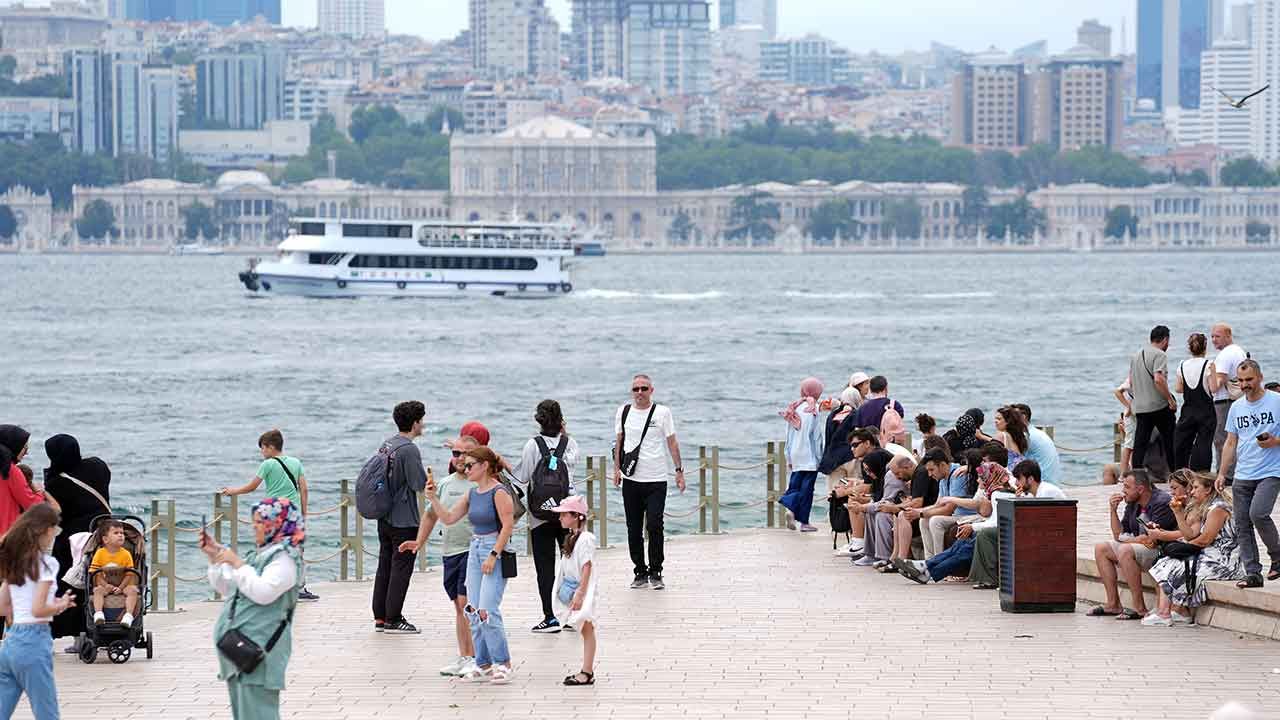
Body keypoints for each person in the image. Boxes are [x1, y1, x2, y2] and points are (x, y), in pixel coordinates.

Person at [201, 497, 304, 720]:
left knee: (258, 714)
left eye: (259, 522)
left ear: (275, 523)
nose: (254, 527)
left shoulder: (285, 559)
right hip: (239, 650)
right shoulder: (260, 554)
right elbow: (228, 587)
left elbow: (263, 592)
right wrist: (215, 558)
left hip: (260, 650)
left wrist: (237, 563)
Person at [425, 447, 517, 684]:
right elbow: (448, 518)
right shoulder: (472, 494)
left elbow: (507, 525)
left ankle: (502, 663)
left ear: (484, 465)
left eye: (470, 465)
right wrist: (433, 498)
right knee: (473, 608)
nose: (466, 469)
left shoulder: (499, 491)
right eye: (464, 465)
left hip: (492, 549)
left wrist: (493, 555)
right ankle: (483, 663)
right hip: (475, 548)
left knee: (488, 609)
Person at [399, 431, 478, 676]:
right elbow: (431, 515)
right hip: (450, 551)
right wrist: (419, 542)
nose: (460, 458)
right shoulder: (444, 484)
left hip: (474, 550)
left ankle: (477, 658)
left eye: (465, 453)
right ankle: (464, 656)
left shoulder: (481, 483)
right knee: (458, 605)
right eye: (456, 453)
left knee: (467, 604)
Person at [220, 430, 316, 602]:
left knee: (270, 549)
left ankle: (270, 587)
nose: (262, 452)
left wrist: (233, 491)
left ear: (271, 447)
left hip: (273, 512)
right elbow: (304, 489)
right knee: (296, 549)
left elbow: (252, 487)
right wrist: (304, 512)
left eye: (263, 448)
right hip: (292, 511)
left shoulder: (268, 464)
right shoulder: (296, 462)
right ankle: (300, 588)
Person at [0, 503, 75, 720]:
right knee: (47, 712)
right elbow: (39, 609)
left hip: (10, 643)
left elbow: (3, 606)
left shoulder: (15, 562)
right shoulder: (46, 563)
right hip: (33, 642)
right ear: (47, 530)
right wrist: (60, 604)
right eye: (56, 530)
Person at [511, 400, 580, 634]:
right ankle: (571, 614)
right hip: (568, 513)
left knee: (545, 567)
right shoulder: (571, 445)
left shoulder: (532, 445)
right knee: (570, 565)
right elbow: (570, 477)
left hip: (540, 515)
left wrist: (500, 463)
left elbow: (522, 477)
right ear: (561, 419)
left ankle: (549, 617)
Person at [613, 374, 685, 591]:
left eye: (644, 388)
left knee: (654, 524)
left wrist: (679, 471)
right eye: (636, 389)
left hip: (656, 479)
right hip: (631, 479)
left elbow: (672, 442)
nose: (640, 393)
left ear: (651, 390)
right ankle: (639, 572)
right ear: (631, 392)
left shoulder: (662, 412)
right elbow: (619, 442)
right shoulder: (623, 412)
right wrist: (616, 469)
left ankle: (656, 571)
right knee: (633, 528)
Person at [1145, 473, 1245, 626]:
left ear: (1208, 489)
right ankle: (1176, 611)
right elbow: (1190, 534)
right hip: (1210, 556)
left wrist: (1182, 546)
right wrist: (1177, 512)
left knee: (1170, 564)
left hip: (1224, 562)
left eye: (1196, 488)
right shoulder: (1207, 507)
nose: (1191, 492)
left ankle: (1165, 613)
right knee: (1167, 561)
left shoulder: (1218, 509)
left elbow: (1205, 539)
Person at [1215, 360, 1280, 587]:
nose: (1245, 385)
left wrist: (1275, 441)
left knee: (1258, 513)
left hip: (1271, 470)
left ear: (1260, 377)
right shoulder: (1237, 407)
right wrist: (1222, 473)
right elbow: (1230, 442)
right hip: (1243, 472)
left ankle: (1277, 556)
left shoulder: (1276, 401)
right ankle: (1252, 573)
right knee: (1242, 523)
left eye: (1249, 379)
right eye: (1240, 381)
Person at [896, 461, 1013, 584]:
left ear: (990, 477)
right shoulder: (994, 491)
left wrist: (972, 526)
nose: (978, 481)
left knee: (967, 548)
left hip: (998, 534)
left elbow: (997, 522)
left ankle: (926, 569)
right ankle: (926, 568)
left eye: (981, 477)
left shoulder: (998, 493)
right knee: (962, 543)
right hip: (993, 531)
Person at [1088, 469, 1179, 619]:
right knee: (1101, 548)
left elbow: (1151, 540)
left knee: (1125, 550)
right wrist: (1113, 510)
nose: (1123, 492)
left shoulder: (1161, 502)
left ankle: (1140, 609)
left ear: (1140, 489)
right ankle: (1113, 605)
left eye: (1126, 487)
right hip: (1140, 546)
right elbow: (1119, 534)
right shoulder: (1133, 502)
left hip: (1160, 550)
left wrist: (1131, 540)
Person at [371, 401, 428, 634]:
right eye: (421, 420)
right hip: (404, 519)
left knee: (384, 564)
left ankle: (381, 617)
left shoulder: (387, 445)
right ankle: (394, 618)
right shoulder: (409, 449)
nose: (423, 424)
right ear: (415, 423)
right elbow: (418, 483)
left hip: (384, 516)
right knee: (401, 568)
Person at [968, 459, 1066, 590]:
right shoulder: (1032, 493)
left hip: (1051, 535)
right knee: (988, 534)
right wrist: (1020, 499)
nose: (1016, 483)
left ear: (1030, 479)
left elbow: (1041, 520)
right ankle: (992, 579)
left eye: (1019, 479)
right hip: (1039, 532)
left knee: (1001, 535)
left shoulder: (1047, 492)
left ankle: (1007, 582)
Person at [41, 433, 100, 643]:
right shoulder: (97, 466)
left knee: (69, 582)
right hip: (103, 532)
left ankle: (77, 635)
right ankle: (99, 627)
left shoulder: (56, 482)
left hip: (73, 539)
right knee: (98, 579)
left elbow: (57, 512)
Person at [549, 495, 598, 687]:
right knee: (585, 628)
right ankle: (586, 670)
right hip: (575, 588)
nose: (560, 518)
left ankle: (587, 671)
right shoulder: (572, 537)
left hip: (581, 589)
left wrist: (580, 592)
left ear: (577, 516)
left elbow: (587, 566)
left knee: (587, 628)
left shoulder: (585, 539)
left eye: (564, 514)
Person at [779, 377, 826, 533]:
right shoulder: (813, 409)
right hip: (809, 455)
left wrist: (788, 456)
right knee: (807, 489)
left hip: (795, 453)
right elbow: (816, 436)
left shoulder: (794, 407)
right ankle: (804, 522)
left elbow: (788, 436)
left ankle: (791, 510)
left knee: (795, 484)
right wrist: (819, 457)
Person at [905, 447, 971, 560]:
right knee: (924, 521)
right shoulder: (942, 478)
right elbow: (937, 505)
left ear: (942, 465)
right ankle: (928, 561)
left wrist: (920, 513)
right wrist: (918, 511)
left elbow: (948, 509)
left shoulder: (957, 475)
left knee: (935, 521)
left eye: (932, 470)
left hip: (967, 516)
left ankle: (938, 561)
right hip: (956, 516)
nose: (930, 475)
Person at [1130, 325, 1178, 472]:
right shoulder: (1160, 355)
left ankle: (1136, 476)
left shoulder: (1136, 355)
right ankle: (1175, 474)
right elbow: (1158, 379)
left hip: (1140, 407)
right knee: (1171, 441)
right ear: (1165, 339)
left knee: (1140, 444)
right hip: (1158, 406)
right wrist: (1170, 399)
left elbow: (1131, 382)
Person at [1208, 323, 1248, 482]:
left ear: (1228, 335)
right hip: (1238, 400)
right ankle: (1234, 472)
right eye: (1212, 336)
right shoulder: (1239, 351)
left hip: (1224, 402)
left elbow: (1215, 386)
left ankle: (1224, 474)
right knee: (1236, 438)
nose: (1213, 340)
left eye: (1217, 336)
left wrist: (1211, 371)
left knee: (1221, 439)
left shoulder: (1225, 355)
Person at [1173, 332, 1216, 472]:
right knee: (1203, 444)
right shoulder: (1209, 364)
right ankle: (1201, 477)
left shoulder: (1182, 365)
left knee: (1182, 443)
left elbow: (1178, 389)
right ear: (1205, 347)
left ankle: (1181, 475)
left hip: (1188, 410)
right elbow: (1214, 388)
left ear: (1189, 348)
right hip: (1206, 410)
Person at [0, 426, 49, 538]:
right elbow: (32, 504)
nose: (26, 452)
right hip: (7, 536)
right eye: (24, 447)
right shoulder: (10, 471)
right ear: (13, 446)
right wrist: (39, 492)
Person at [89, 520, 139, 627]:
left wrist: (121, 587)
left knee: (133, 591)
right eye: (116, 533)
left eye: (122, 533)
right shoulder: (100, 553)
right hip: (105, 584)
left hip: (124, 584)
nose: (120, 535)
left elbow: (130, 574)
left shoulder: (126, 554)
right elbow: (95, 574)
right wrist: (106, 585)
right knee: (97, 591)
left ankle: (128, 615)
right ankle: (98, 614)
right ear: (105, 539)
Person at [1010, 404, 1062, 486]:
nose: (1010, 420)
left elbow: (1012, 459)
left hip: (1041, 483)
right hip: (1052, 482)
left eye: (1012, 416)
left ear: (1023, 417)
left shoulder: (1027, 436)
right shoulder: (1036, 432)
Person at [1114, 377, 1136, 474]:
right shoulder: (1131, 378)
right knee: (1129, 445)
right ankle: (1123, 475)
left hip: (1141, 412)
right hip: (1132, 415)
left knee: (1134, 444)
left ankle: (1132, 471)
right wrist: (1128, 406)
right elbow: (1117, 392)